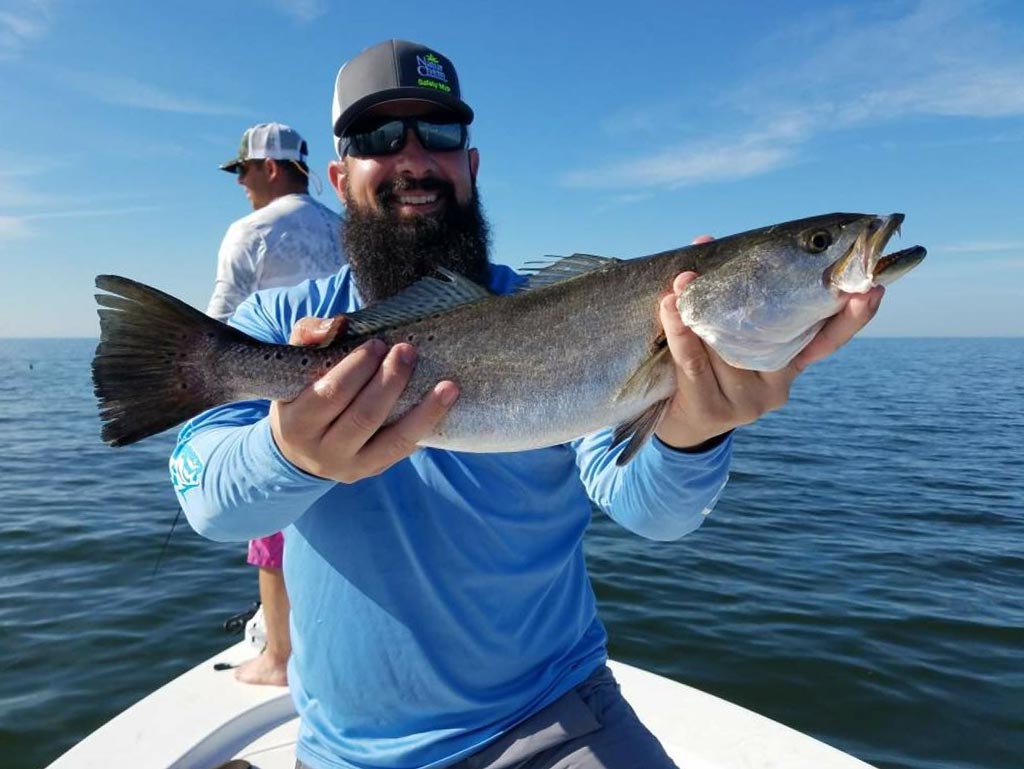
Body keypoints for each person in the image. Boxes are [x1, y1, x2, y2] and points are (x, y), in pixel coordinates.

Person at [173, 40, 885, 769]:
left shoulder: (560, 312)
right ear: (338, 174)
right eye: (378, 138)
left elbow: (651, 510)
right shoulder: (272, 326)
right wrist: (288, 453)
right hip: (347, 754)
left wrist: (694, 432)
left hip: (557, 718)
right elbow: (207, 499)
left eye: (440, 134)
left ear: (472, 163)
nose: (414, 159)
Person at [210, 122, 344, 687]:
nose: (240, 183)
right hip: (367, 394)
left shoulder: (250, 231)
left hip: (281, 399)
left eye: (243, 170)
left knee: (272, 527)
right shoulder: (344, 227)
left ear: (269, 167)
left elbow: (215, 333)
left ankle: (279, 657)